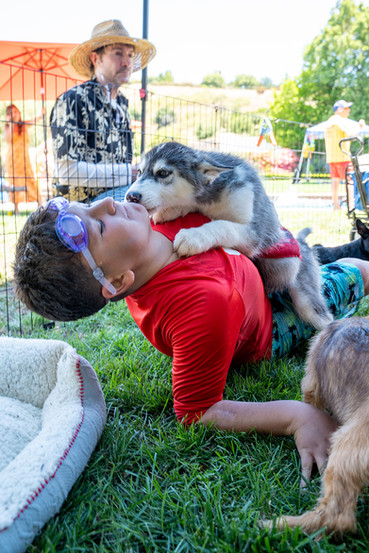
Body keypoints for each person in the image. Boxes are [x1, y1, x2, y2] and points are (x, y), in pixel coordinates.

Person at [13, 198, 369, 483]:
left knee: (311, 257)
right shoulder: (201, 303)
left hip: (260, 267)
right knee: (359, 270)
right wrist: (297, 416)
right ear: (120, 281)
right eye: (100, 227)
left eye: (87, 203)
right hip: (273, 320)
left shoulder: (159, 214)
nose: (107, 204)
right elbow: (196, 411)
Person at [49, 19, 156, 203]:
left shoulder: (122, 104)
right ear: (95, 58)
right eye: (118, 54)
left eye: (130, 55)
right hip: (80, 205)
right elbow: (67, 172)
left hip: (115, 194)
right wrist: (127, 173)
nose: (127, 62)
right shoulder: (73, 100)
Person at [324, 99, 365, 210]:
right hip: (343, 156)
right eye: (347, 108)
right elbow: (352, 135)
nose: (349, 110)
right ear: (340, 109)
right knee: (350, 181)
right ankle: (351, 206)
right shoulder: (339, 120)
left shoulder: (330, 121)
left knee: (335, 180)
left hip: (332, 157)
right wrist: (360, 126)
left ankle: (336, 205)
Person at [4, 104, 41, 214]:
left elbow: (35, 120)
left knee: (30, 179)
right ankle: (16, 208)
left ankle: (40, 203)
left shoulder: (24, 124)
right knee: (14, 181)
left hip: (24, 158)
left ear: (19, 113)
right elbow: (8, 139)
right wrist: (11, 124)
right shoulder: (7, 127)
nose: (14, 115)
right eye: (11, 113)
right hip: (12, 159)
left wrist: (40, 114)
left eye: (15, 112)